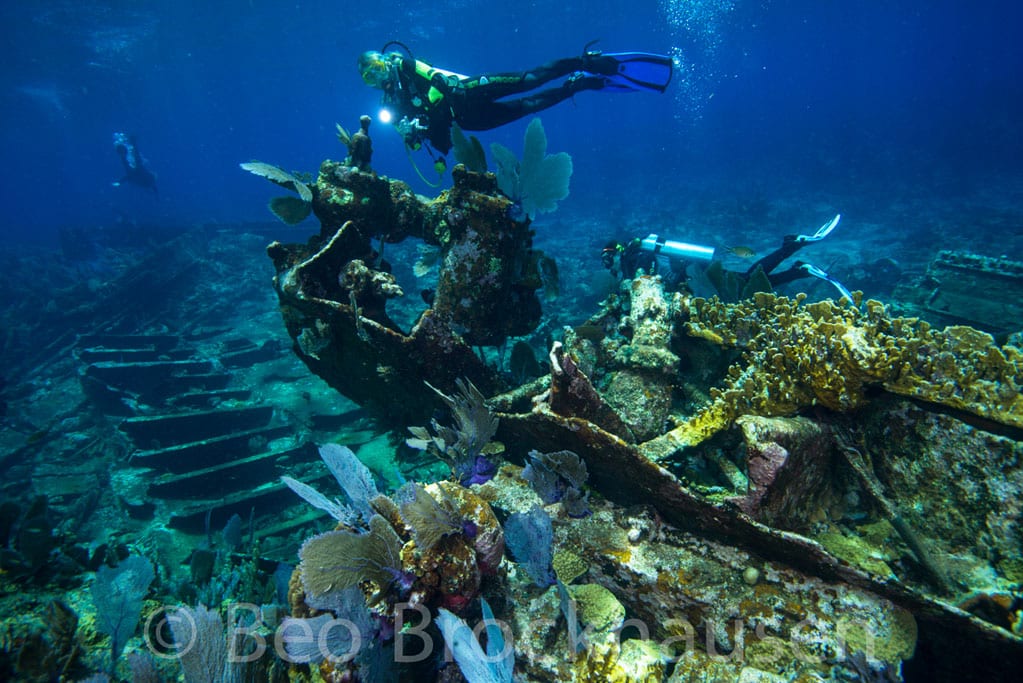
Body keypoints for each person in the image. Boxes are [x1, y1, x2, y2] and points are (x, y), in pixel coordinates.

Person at [358, 41, 673, 169]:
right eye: (370, 77)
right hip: (470, 121)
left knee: (529, 80)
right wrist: (416, 138)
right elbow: (426, 142)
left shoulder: (406, 67)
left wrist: (430, 103)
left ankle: (585, 61)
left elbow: (438, 80)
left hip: (469, 93)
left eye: (376, 67)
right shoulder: (391, 105)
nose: (378, 76)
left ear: (385, 60)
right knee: (529, 105)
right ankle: (578, 84)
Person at [601, 214, 853, 301]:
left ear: (617, 252)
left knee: (746, 282)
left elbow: (650, 277)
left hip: (697, 276)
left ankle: (792, 252)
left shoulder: (636, 258)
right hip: (696, 275)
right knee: (747, 284)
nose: (607, 265)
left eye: (606, 259)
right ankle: (798, 264)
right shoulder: (634, 256)